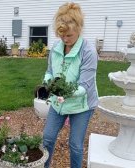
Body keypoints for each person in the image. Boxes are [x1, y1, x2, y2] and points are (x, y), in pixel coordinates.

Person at [41, 2, 99, 168]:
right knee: (48, 138)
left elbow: (84, 88)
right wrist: (47, 84)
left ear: (79, 29)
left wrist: (58, 90)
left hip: (82, 105)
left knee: (75, 144)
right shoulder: (56, 47)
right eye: (62, 36)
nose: (65, 40)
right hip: (58, 103)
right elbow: (49, 72)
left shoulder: (88, 51)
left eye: (69, 36)